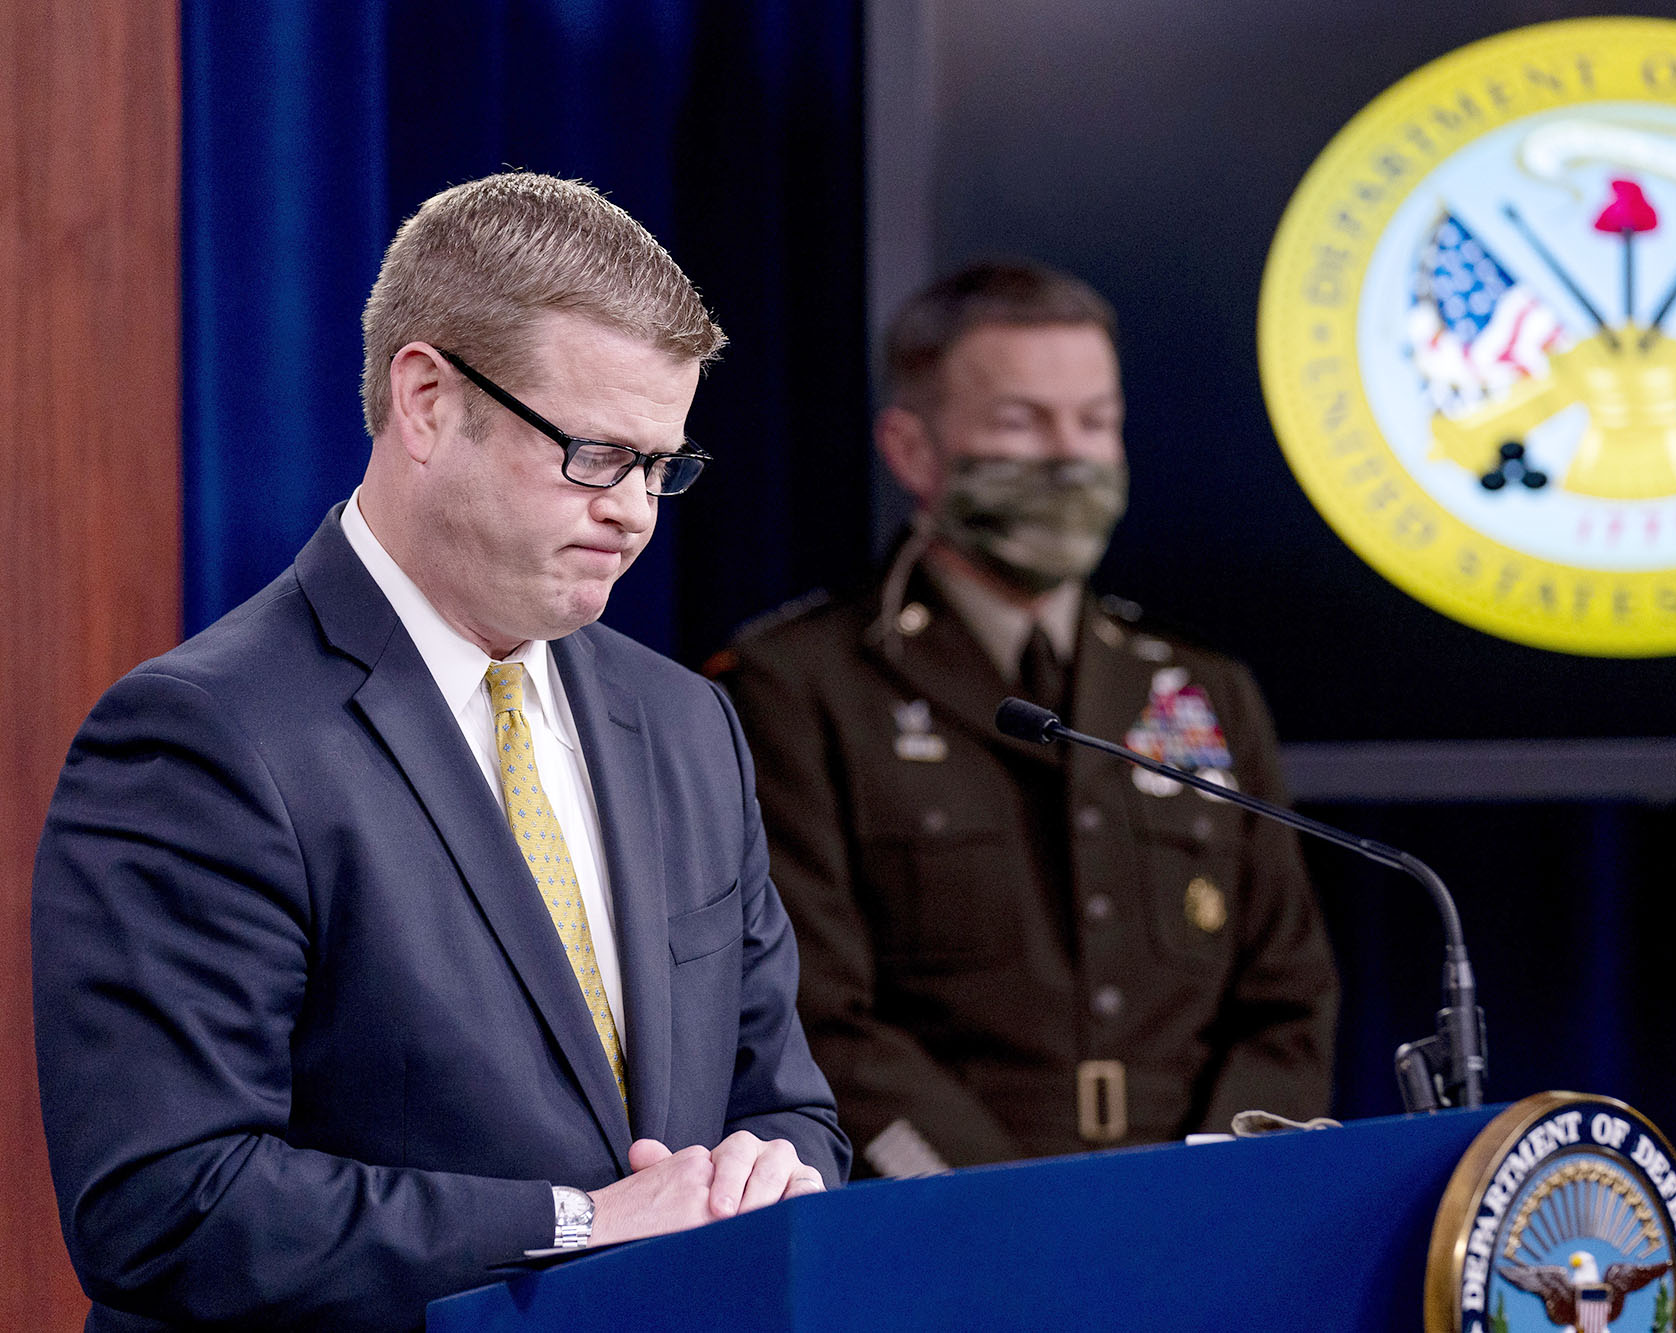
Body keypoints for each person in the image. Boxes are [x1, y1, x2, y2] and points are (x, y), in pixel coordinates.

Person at [32, 173, 848, 1332]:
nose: (634, 513)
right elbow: (168, 1204)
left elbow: (791, 1109)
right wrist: (579, 1222)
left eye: (661, 465)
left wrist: (767, 1174)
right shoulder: (204, 737)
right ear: (424, 401)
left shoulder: (685, 725)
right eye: (595, 454)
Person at [716, 260, 1335, 1176]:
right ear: (913, 449)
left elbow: (1287, 997)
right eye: (1021, 422)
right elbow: (811, 1010)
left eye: (1096, 421)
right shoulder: (798, 685)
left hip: (1195, 1222)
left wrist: (1219, 1189)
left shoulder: (1203, 689)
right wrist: (1008, 1211)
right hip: (944, 1228)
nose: (1069, 456)